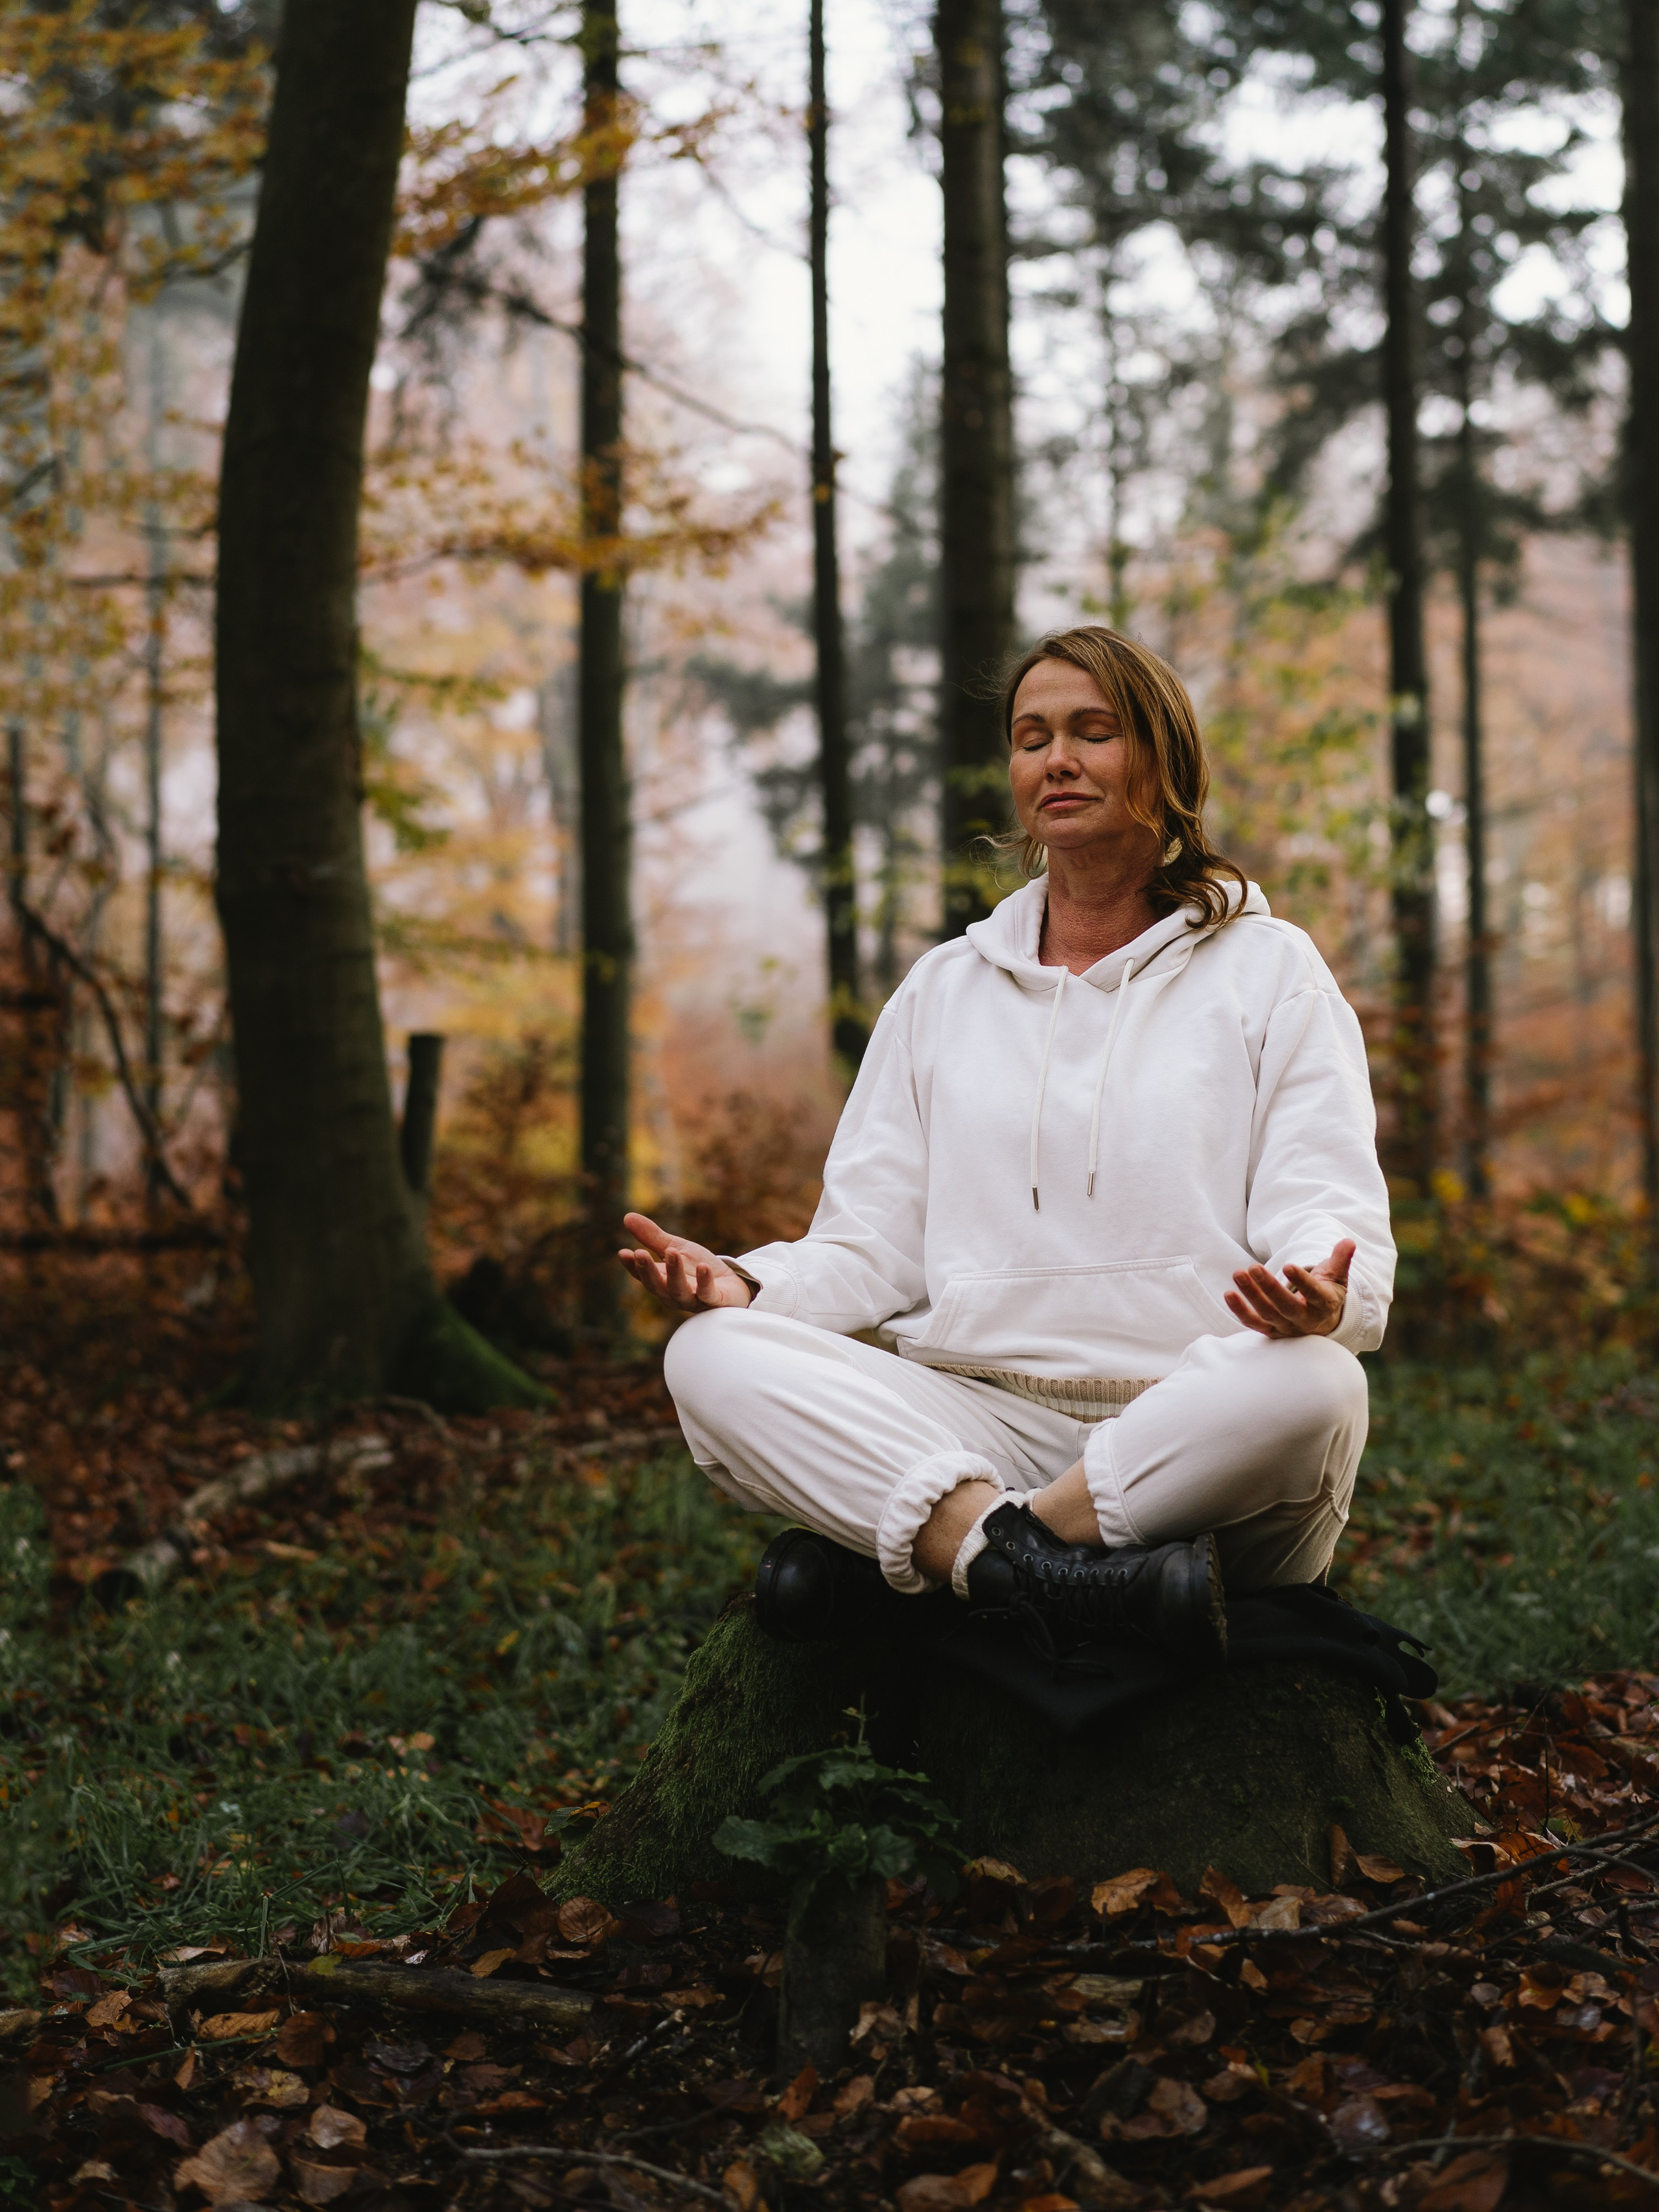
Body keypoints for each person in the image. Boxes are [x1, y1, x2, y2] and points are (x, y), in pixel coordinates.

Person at [619, 626, 1393, 1667]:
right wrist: (745, 1289)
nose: (1056, 759)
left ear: (1163, 763)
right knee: (710, 1357)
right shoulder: (945, 987)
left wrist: (1321, 1295)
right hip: (975, 1421)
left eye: (1093, 732)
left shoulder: (1269, 969)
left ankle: (973, 1558)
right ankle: (1042, 1568)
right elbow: (871, 1248)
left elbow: (1326, 1203)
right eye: (1032, 738)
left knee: (1318, 1387)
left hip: (1190, 1434)